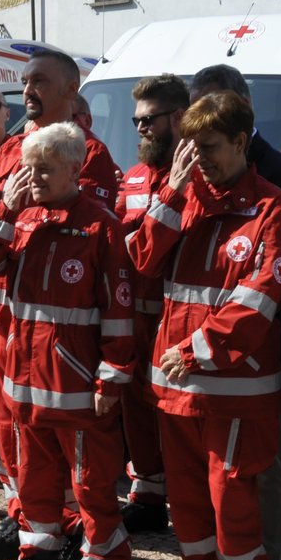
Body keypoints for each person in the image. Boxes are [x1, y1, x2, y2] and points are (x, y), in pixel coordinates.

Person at [131, 93, 281, 560]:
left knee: (232, 498)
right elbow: (143, 261)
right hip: (175, 384)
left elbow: (259, 298)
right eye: (191, 148)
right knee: (187, 497)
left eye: (209, 148)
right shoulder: (187, 197)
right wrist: (174, 192)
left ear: (241, 143)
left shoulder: (272, 207)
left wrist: (199, 348)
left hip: (234, 387)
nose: (198, 158)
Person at [0, 122, 134, 560]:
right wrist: (5, 211)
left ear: (74, 168)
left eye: (44, 169)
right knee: (34, 479)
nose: (34, 176)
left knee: (91, 486)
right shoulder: (23, 218)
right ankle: (40, 559)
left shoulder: (99, 225)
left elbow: (118, 309)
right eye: (28, 167)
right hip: (24, 383)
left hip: (77, 387)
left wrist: (112, 375)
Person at [188, 65, 281, 560]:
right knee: (207, 466)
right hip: (194, 346)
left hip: (257, 344)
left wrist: (240, 311)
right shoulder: (194, 171)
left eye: (214, 106)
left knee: (255, 466)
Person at [114, 75, 190, 535]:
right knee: (136, 409)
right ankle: (146, 494)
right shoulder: (136, 174)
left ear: (179, 117)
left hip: (174, 316)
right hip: (133, 314)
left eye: (149, 120)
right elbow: (124, 237)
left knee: (173, 417)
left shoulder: (196, 172)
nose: (140, 128)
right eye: (136, 120)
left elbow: (157, 245)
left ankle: (184, 508)